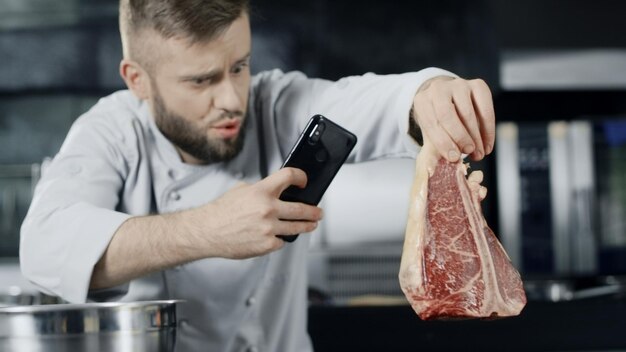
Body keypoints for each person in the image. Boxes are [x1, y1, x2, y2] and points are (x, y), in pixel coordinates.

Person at [20, 0, 495, 351]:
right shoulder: (112, 131)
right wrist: (208, 230)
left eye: (240, 67)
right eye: (201, 80)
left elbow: (379, 101)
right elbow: (44, 246)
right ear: (137, 79)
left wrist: (431, 94)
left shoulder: (276, 104)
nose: (230, 98)